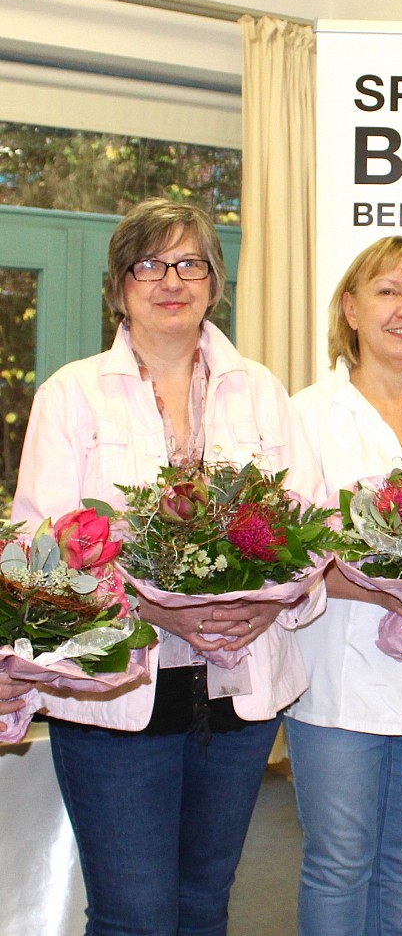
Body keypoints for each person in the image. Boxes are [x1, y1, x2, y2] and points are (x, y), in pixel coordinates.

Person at [11, 197, 326, 936]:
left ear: (214, 283)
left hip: (237, 696)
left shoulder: (264, 392)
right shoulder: (72, 393)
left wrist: (272, 603)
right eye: (149, 264)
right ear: (121, 286)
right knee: (134, 916)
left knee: (202, 907)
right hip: (117, 699)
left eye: (189, 263)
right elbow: (40, 549)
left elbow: (311, 525)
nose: (170, 280)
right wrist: (150, 607)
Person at [286, 236, 402, 936]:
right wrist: (377, 589)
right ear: (351, 308)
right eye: (388, 291)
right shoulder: (305, 414)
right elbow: (289, 549)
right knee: (339, 862)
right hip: (337, 678)